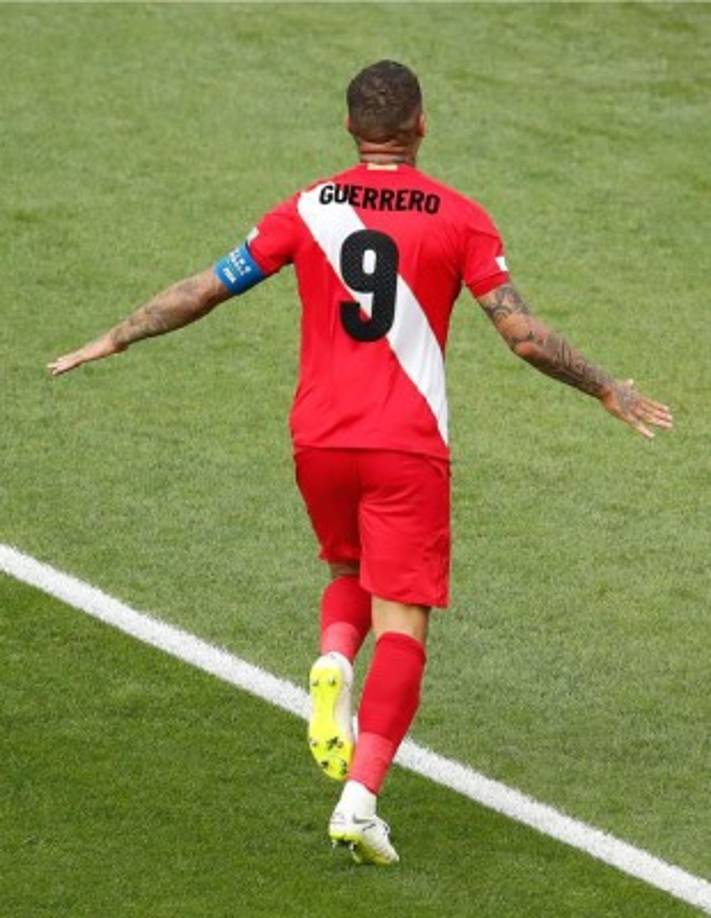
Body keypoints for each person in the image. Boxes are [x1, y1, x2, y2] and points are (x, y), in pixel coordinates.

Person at [48, 60, 673, 867]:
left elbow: (205, 287)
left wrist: (117, 335)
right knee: (404, 620)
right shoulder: (459, 217)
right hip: (404, 445)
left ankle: (335, 659)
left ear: (350, 130)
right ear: (420, 124)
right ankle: (359, 801)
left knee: (346, 564)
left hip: (319, 440)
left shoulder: (309, 207)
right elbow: (520, 334)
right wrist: (603, 388)